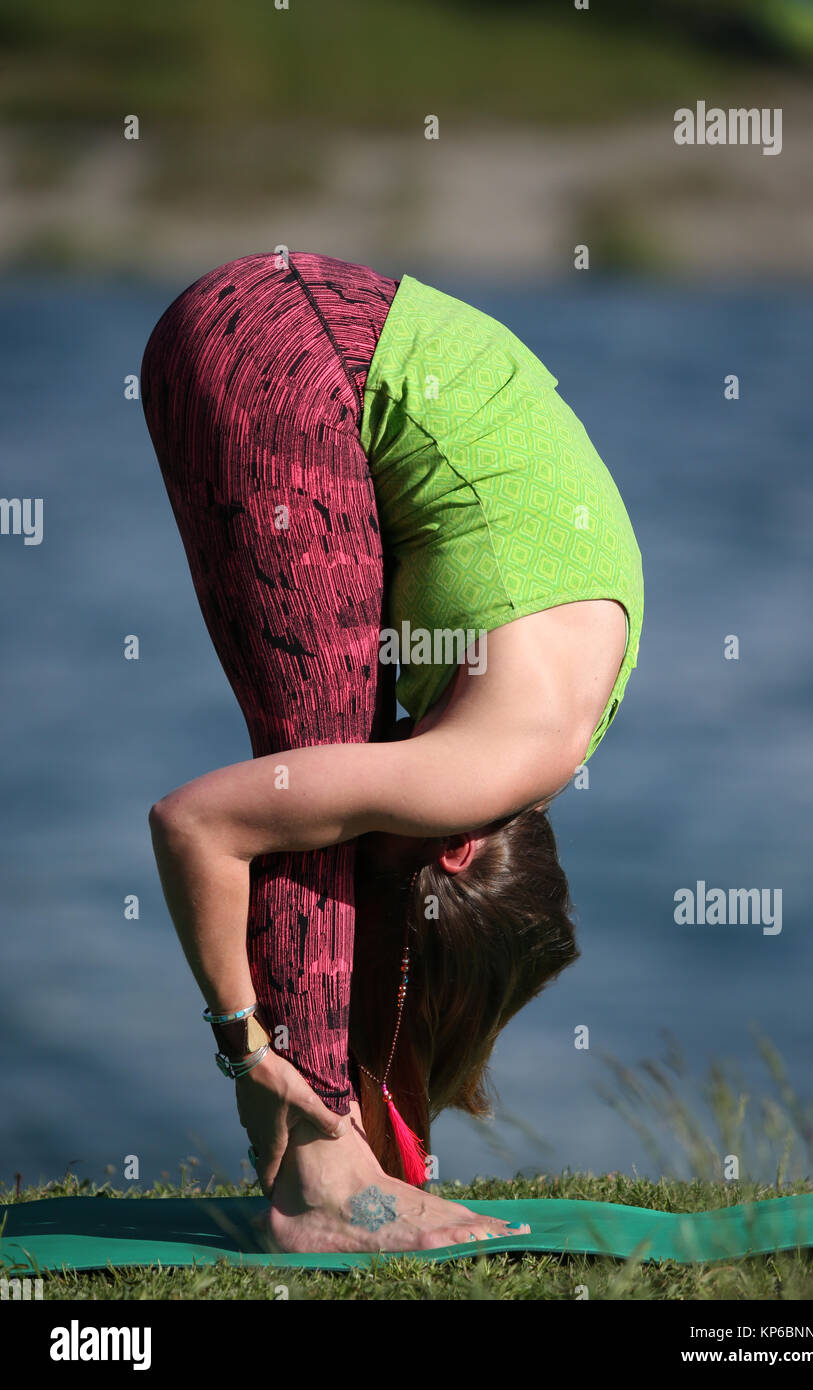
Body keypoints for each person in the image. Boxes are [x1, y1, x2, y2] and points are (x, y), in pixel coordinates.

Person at [140, 250, 643, 1253]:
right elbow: (197, 823)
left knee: (322, 789)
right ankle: (321, 1182)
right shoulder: (489, 761)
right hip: (297, 356)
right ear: (454, 850)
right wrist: (242, 1046)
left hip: (316, 323)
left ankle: (334, 1156)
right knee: (304, 787)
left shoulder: (555, 713)